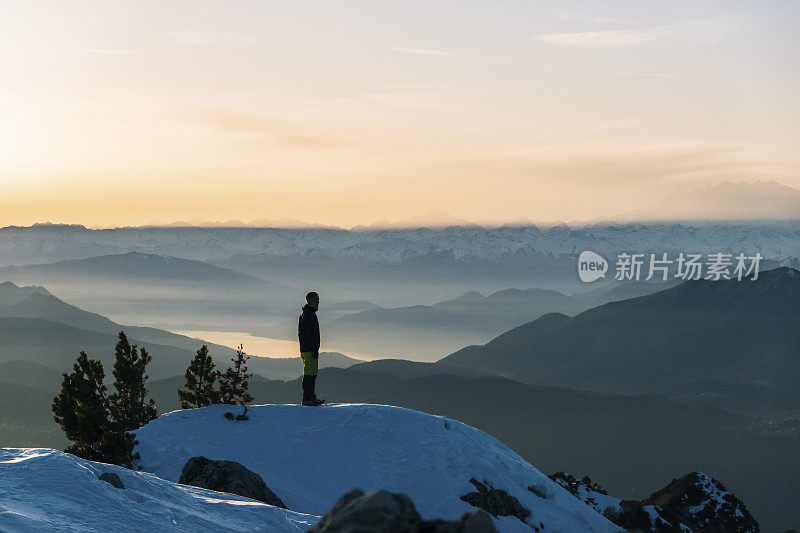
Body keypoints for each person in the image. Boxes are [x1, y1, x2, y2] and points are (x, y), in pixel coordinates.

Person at [298, 291, 324, 406]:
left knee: (311, 373)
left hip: (308, 349)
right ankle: (307, 398)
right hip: (309, 349)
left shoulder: (306, 313)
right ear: (311, 300)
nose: (318, 301)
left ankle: (310, 397)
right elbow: (310, 334)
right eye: (316, 299)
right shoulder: (309, 315)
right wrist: (314, 349)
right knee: (310, 374)